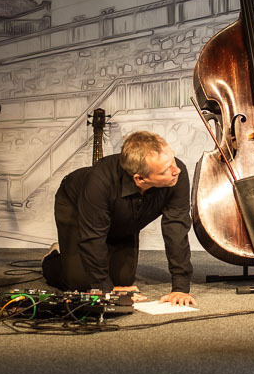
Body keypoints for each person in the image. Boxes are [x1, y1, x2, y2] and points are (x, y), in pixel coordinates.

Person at [41, 131, 196, 306]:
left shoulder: (176, 176)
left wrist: (180, 288)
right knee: (82, 283)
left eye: (173, 161)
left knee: (123, 280)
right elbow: (92, 238)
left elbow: (176, 228)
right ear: (140, 179)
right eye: (166, 170)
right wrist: (105, 290)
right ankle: (53, 257)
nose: (177, 170)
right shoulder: (98, 182)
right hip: (75, 204)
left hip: (124, 216)